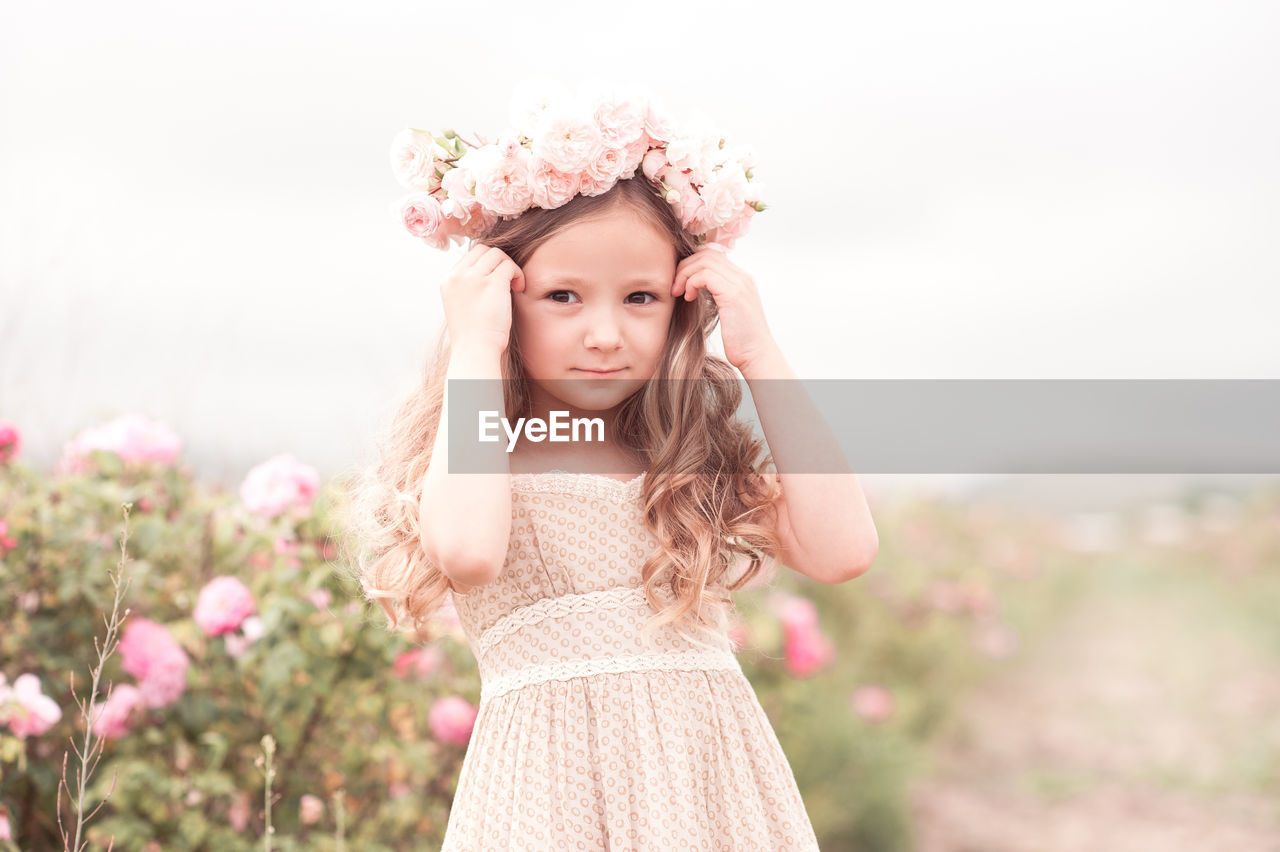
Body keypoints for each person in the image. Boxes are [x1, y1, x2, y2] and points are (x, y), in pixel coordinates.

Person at [342, 81, 879, 850]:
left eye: (640, 298)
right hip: (547, 797)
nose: (604, 333)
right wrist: (473, 347)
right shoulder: (484, 448)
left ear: (680, 305)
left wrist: (760, 353)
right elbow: (467, 551)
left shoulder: (685, 454)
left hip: (707, 791)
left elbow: (843, 551)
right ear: (504, 297)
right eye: (563, 295)